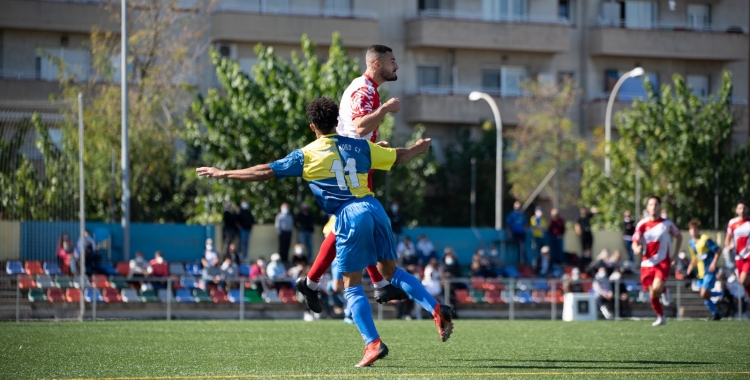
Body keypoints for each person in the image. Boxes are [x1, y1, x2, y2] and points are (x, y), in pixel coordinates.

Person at [196, 97, 453, 367]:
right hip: (375, 208)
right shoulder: (360, 145)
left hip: (348, 214)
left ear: (312, 126)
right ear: (337, 122)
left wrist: (224, 173)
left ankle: (373, 343)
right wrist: (416, 149)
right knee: (391, 273)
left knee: (351, 286)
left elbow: (264, 172)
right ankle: (437, 309)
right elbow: (397, 156)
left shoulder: (306, 154)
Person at [294, 45, 407, 312]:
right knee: (357, 222)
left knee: (351, 224)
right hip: (352, 164)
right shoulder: (364, 89)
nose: (397, 66)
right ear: (377, 64)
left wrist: (377, 147)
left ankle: (312, 283)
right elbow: (358, 126)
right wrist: (387, 110)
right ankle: (376, 283)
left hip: (356, 160)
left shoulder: (368, 89)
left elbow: (358, 131)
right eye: (392, 61)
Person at [632, 196, 682, 326]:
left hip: (662, 262)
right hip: (646, 263)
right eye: (651, 204)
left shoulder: (667, 224)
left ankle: (664, 291)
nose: (653, 207)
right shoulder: (642, 224)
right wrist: (636, 248)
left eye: (656, 204)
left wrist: (675, 255)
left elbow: (679, 236)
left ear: (660, 207)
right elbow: (635, 241)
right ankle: (661, 316)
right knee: (653, 293)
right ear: (647, 208)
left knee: (655, 289)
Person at [686, 220, 722, 320]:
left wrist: (713, 263)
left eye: (695, 229)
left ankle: (722, 295)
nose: (693, 231)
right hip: (700, 273)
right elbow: (695, 257)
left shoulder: (705, 239)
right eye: (691, 229)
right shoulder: (691, 243)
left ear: (699, 230)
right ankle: (716, 313)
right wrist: (690, 266)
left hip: (709, 271)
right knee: (704, 295)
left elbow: (718, 250)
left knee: (703, 293)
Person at [725, 199, 750, 300]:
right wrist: (728, 246)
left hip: (748, 256)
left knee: (743, 280)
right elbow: (727, 239)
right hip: (738, 257)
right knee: (743, 283)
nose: (742, 210)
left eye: (744, 208)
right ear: (736, 210)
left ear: (748, 209)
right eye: (740, 208)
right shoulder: (732, 222)